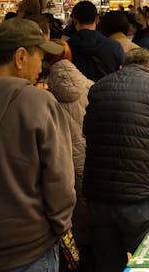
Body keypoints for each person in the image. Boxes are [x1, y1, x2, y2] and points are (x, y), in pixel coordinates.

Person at [0, 17, 76, 272]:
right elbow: (60, 184)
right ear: (20, 57)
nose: (42, 66)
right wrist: (61, 227)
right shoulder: (38, 103)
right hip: (27, 251)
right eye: (40, 56)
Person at [82, 47, 149, 272]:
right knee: (145, 263)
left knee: (107, 263)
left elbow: (87, 131)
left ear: (122, 67)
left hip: (99, 192)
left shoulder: (98, 87)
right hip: (140, 194)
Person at [45, 39, 94, 271]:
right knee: (86, 210)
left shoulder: (40, 94)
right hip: (88, 158)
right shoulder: (91, 87)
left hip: (56, 162)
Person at [68, 0, 125, 81]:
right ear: (97, 19)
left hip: (76, 92)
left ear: (74, 20)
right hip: (106, 92)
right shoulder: (114, 47)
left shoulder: (66, 48)